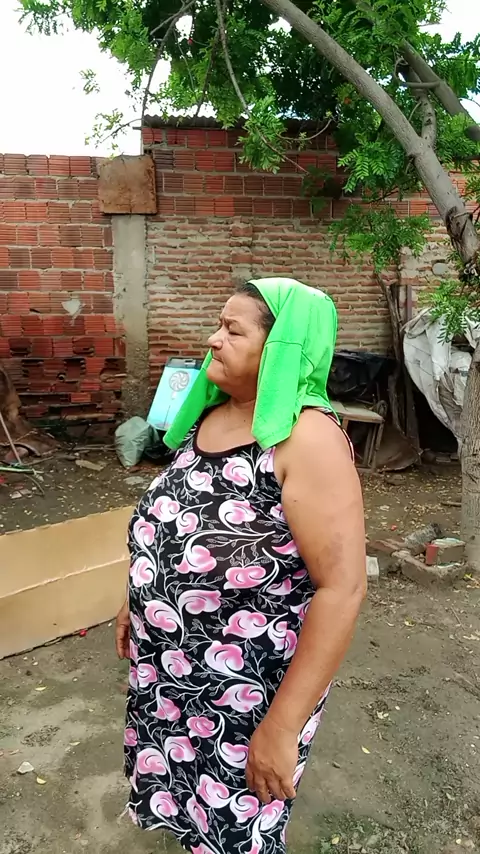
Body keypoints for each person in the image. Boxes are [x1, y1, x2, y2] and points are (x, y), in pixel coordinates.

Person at [115, 277, 366, 854]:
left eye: (232, 330)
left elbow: (342, 589)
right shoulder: (208, 418)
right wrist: (135, 598)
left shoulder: (306, 440)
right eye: (218, 326)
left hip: (245, 696)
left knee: (235, 829)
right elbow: (168, 522)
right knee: (184, 805)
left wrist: (282, 726)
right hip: (170, 677)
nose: (213, 340)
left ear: (281, 349)